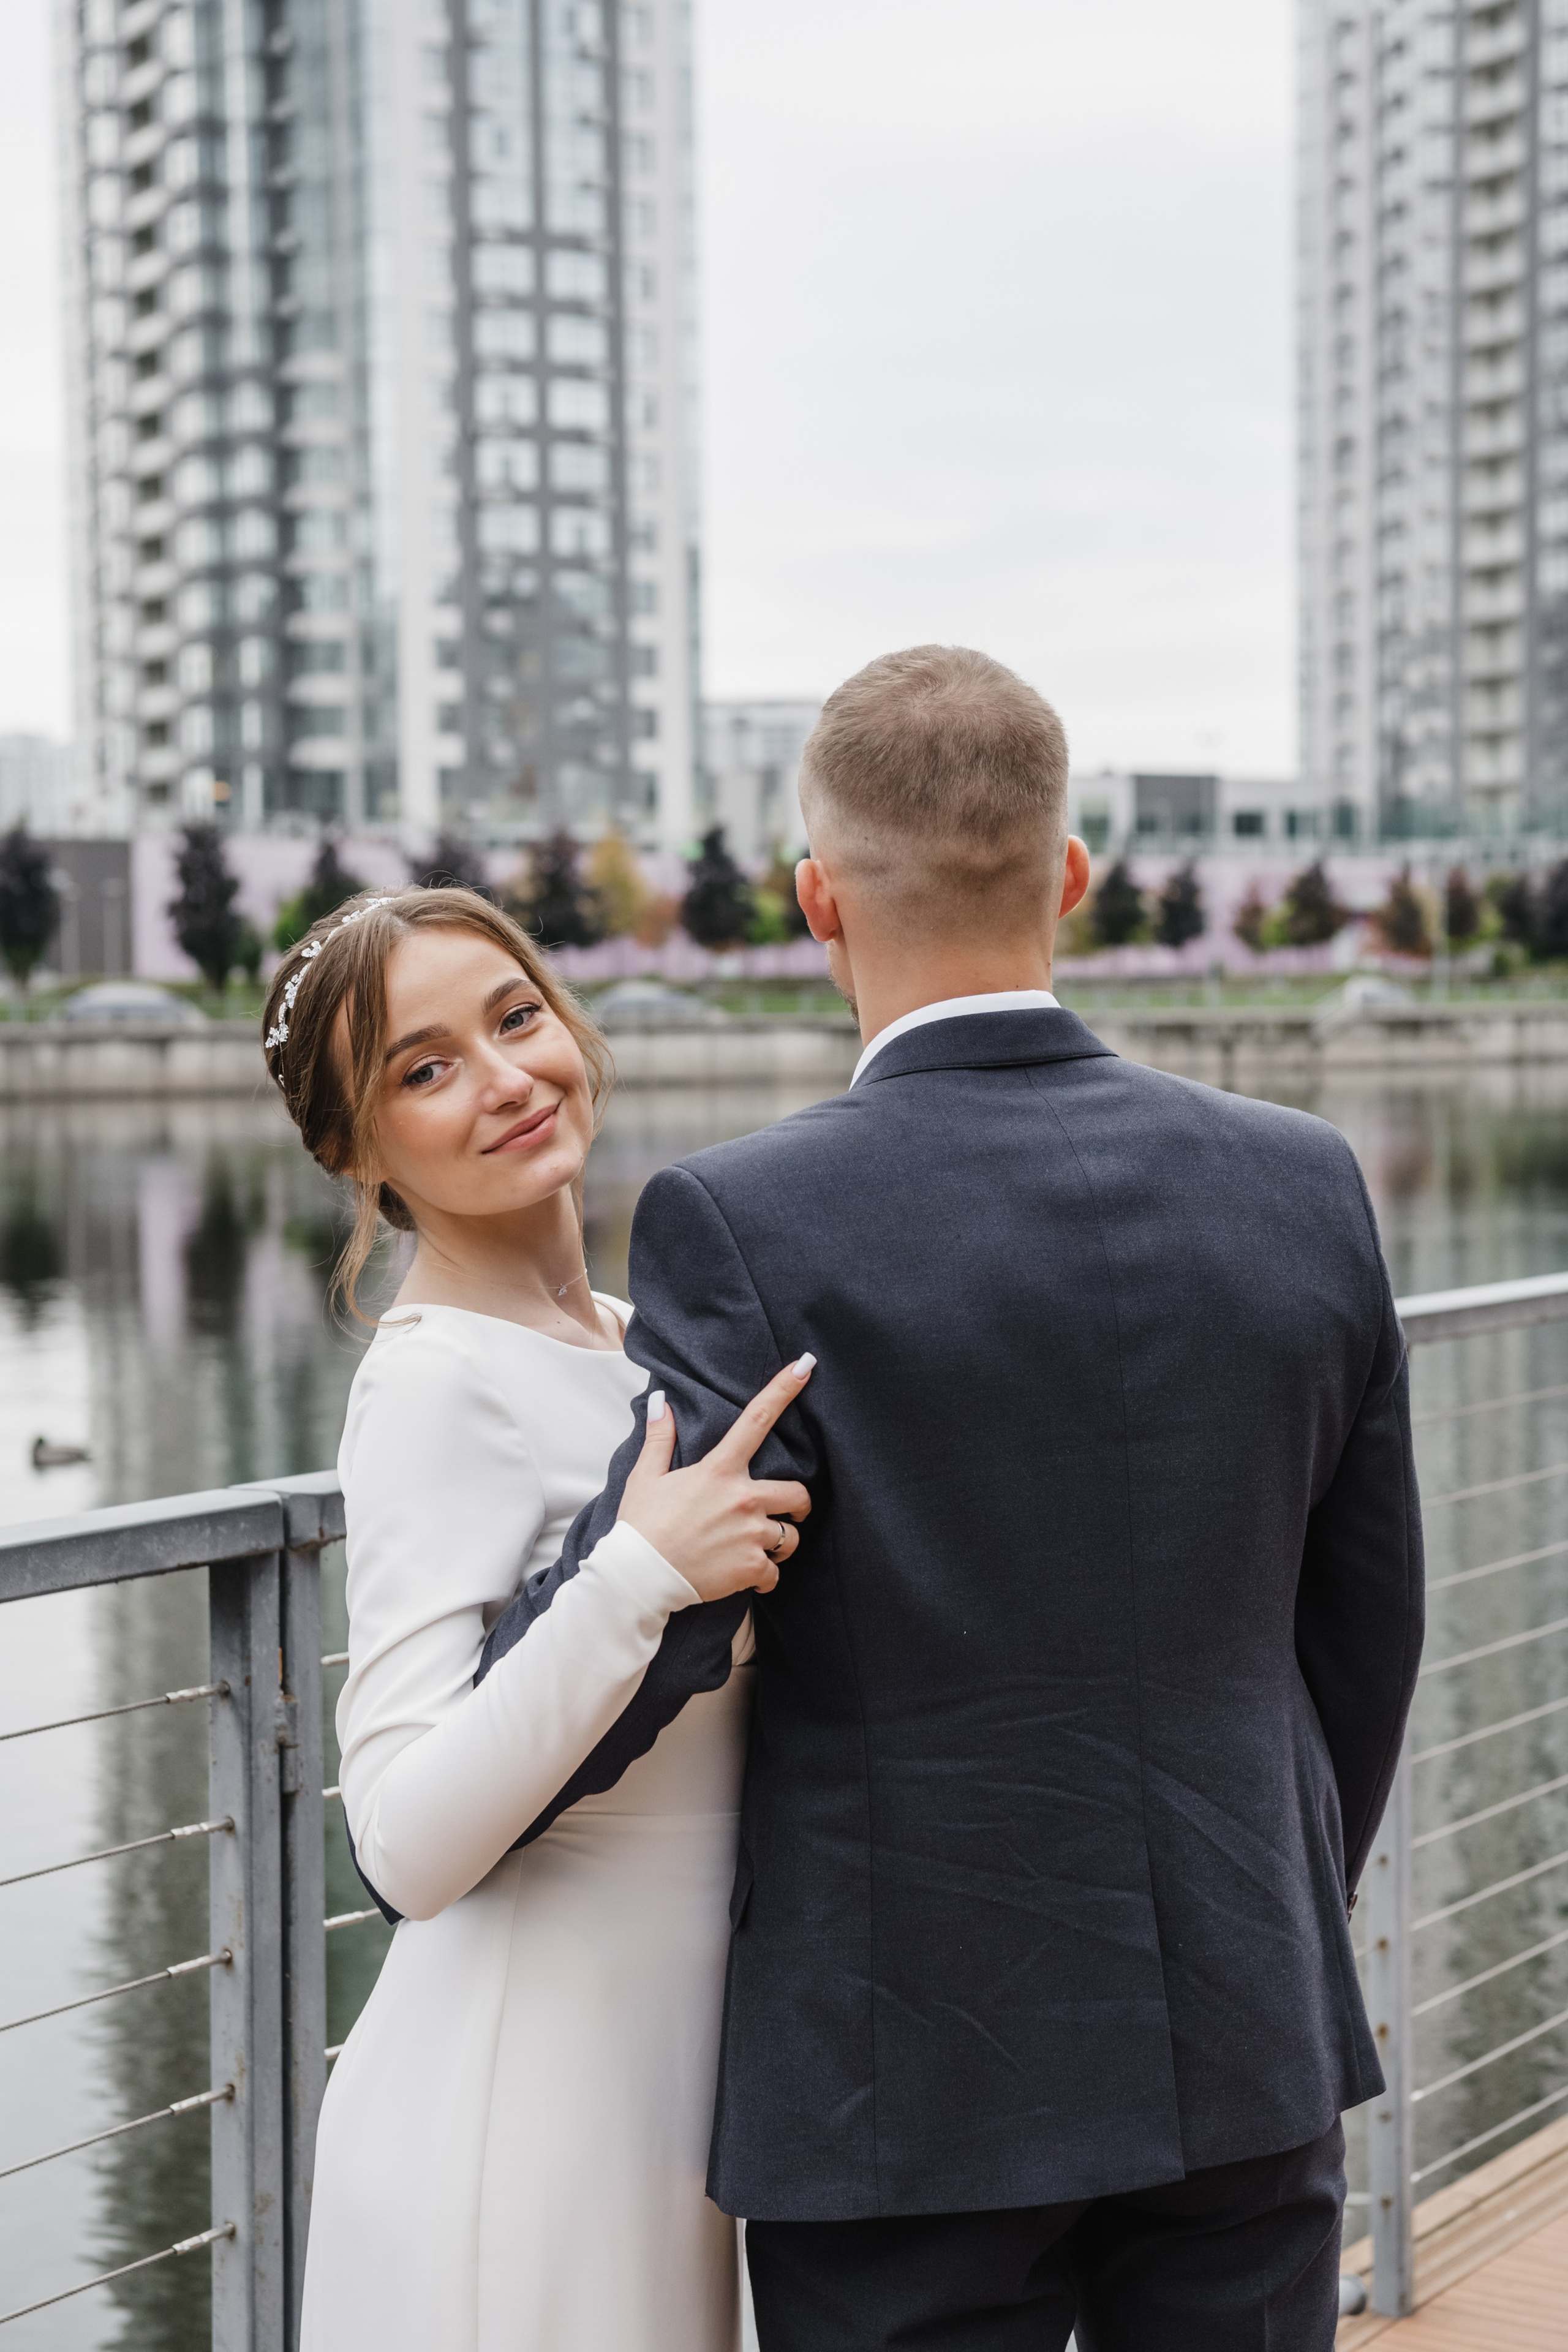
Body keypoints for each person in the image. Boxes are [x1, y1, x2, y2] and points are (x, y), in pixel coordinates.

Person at [480, 646, 1425, 2351]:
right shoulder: (1304, 1187)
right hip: (1245, 2021)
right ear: (1072, 875)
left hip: (898, 2074)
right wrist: (1260, 1894)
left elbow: (671, 1633)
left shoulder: (743, 1224)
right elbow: (1368, 1633)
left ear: (814, 901)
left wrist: (460, 1772)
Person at [263, 885, 813, 2352]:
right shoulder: (436, 1383)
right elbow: (401, 1838)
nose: (504, 1078)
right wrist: (630, 1577)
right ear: (352, 1151)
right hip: (526, 2115)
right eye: (422, 1069)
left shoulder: (636, 1340)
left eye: (514, 1018)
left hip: (682, 2085)